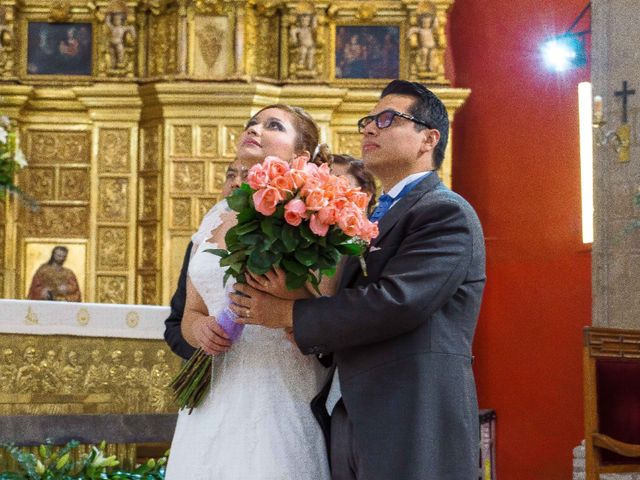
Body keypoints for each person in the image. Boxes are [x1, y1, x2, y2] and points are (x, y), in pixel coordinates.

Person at [232, 80, 486, 480]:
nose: (369, 128)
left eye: (387, 119)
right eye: (368, 120)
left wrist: (288, 313)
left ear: (428, 139)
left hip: (411, 412)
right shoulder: (371, 218)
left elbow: (396, 303)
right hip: (352, 408)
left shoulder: (444, 212)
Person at [164, 104, 334, 480]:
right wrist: (201, 331)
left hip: (279, 389)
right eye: (252, 123)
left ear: (300, 156)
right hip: (215, 392)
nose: (255, 129)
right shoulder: (216, 215)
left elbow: (328, 312)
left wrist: (287, 300)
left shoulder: (314, 216)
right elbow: (190, 311)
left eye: (273, 125)